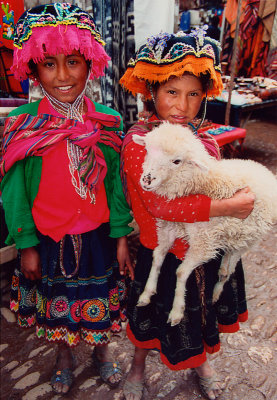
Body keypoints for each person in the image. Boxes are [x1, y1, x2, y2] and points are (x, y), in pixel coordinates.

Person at [0, 3, 134, 395]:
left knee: (101, 302)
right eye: (49, 64)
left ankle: (103, 352)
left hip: (99, 238)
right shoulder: (22, 124)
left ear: (89, 63)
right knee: (56, 304)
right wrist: (25, 244)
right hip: (47, 240)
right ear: (32, 69)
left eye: (73, 61)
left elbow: (116, 187)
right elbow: (14, 192)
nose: (62, 75)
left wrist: (123, 235)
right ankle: (63, 355)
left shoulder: (107, 121)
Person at [119, 29, 255, 400]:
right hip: (161, 248)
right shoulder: (140, 141)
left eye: (193, 94)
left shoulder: (205, 139)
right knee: (149, 315)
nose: (182, 105)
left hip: (202, 247)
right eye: (172, 93)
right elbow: (158, 204)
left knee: (196, 314)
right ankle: (137, 366)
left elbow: (215, 182)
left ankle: (200, 363)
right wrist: (229, 207)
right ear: (152, 93)